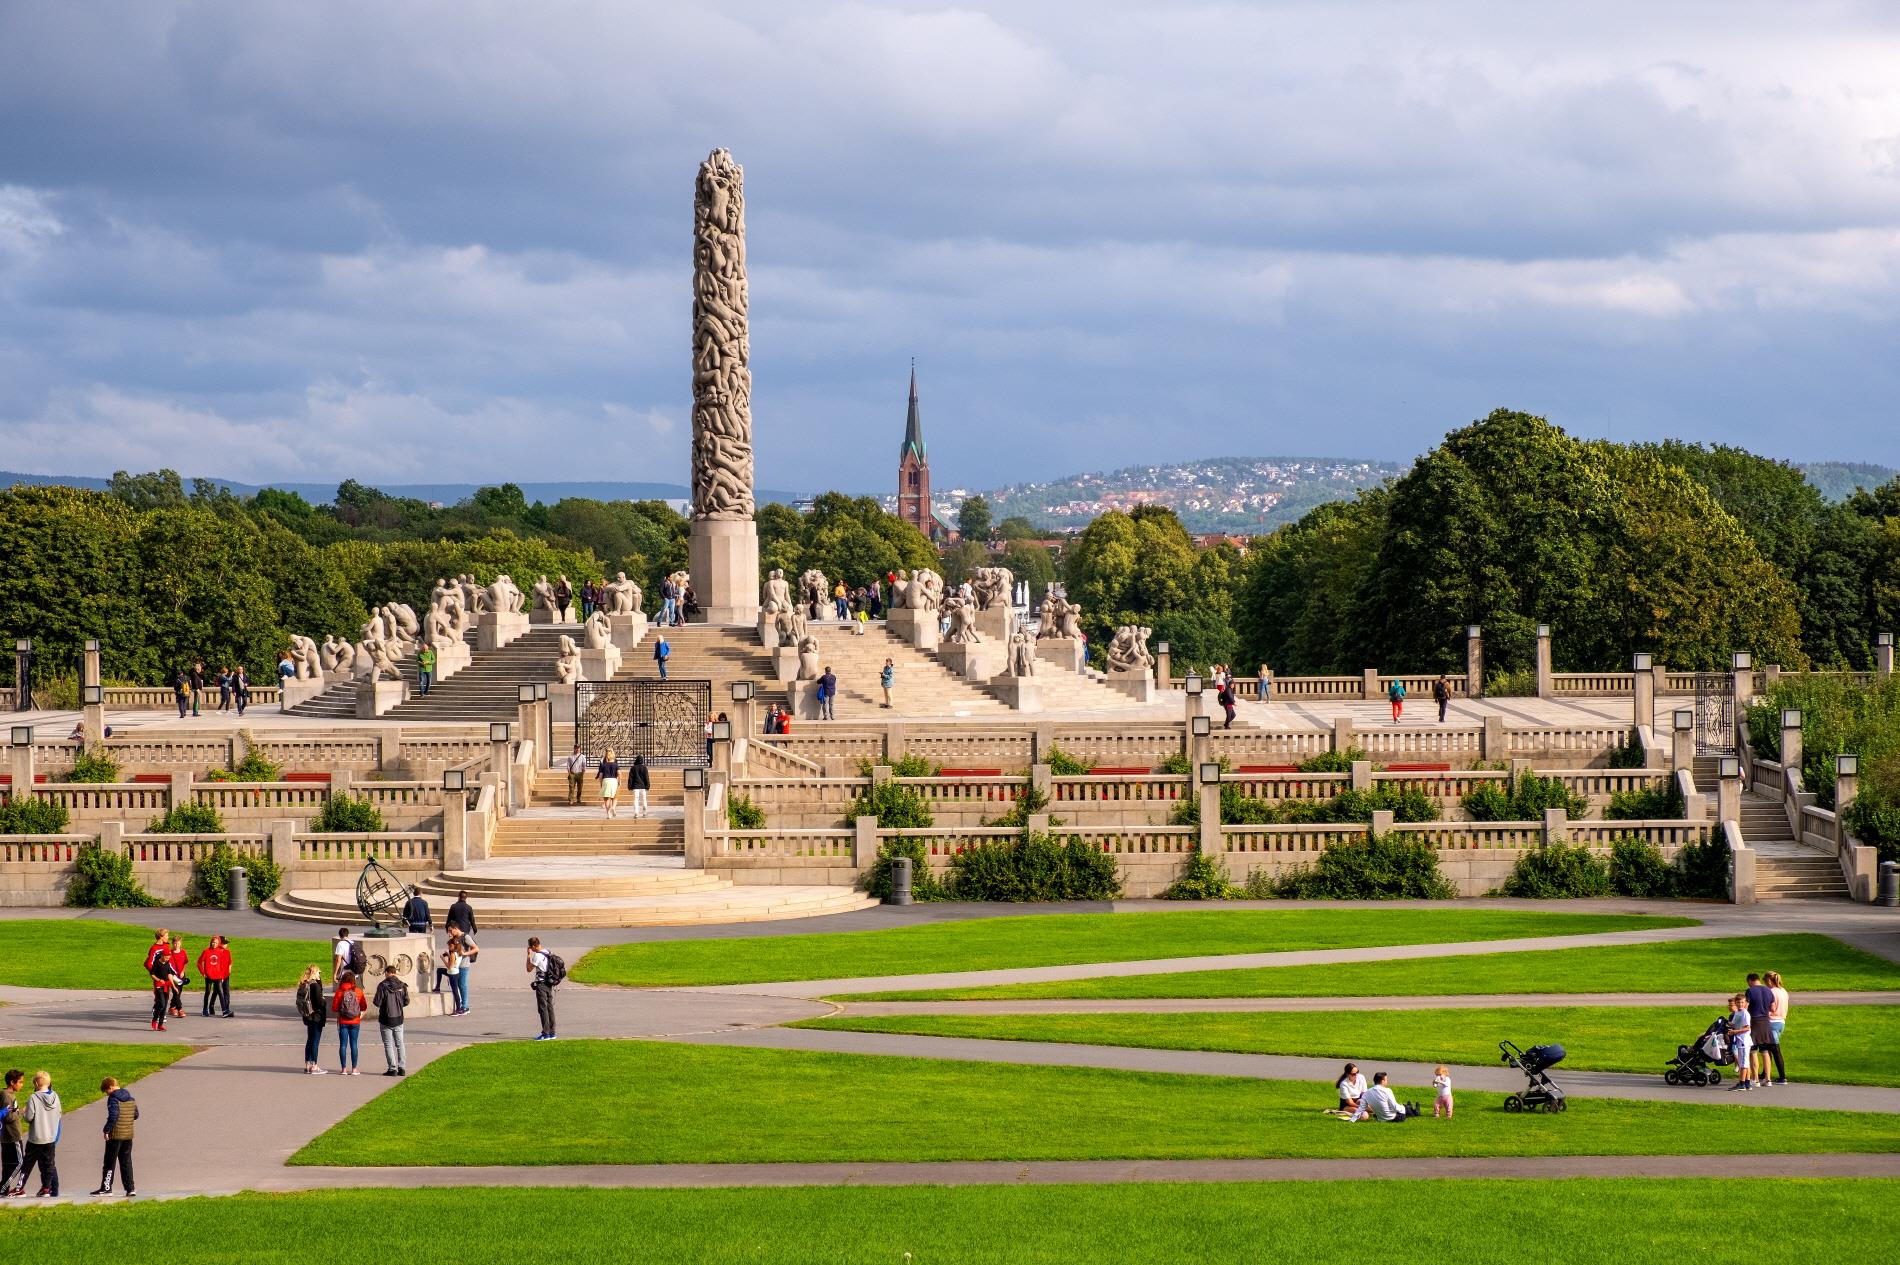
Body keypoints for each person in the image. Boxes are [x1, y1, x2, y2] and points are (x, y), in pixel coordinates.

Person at [11, 1071, 61, 1197]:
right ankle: (46, 1188)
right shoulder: (55, 1096)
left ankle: (19, 1187)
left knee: (28, 1163)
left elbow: (29, 1117)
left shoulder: (34, 1097)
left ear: (37, 1084)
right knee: (48, 1163)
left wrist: (23, 1112)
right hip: (50, 1136)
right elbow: (59, 1113)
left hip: (37, 1136)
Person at [92, 1077, 137, 1196]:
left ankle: (106, 1188)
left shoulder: (113, 1099)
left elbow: (113, 1115)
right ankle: (130, 1188)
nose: (107, 1094)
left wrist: (106, 1130)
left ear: (111, 1087)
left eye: (106, 1091)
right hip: (128, 1135)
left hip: (115, 1135)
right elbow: (136, 1115)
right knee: (126, 1162)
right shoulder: (131, 1098)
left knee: (109, 1162)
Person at [1745, 971, 1782, 1087]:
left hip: (1754, 1022)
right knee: (1765, 1051)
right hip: (1766, 1022)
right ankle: (1768, 1079)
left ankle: (1755, 1079)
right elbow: (1773, 1008)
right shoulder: (1768, 990)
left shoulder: (1750, 991)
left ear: (1750, 981)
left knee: (1753, 1051)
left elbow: (1745, 1007)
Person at [373, 965, 410, 1077]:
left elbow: (377, 1002)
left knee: (388, 1044)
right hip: (398, 1018)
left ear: (387, 973)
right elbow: (407, 1001)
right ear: (395, 973)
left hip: (385, 1018)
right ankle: (402, 1067)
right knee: (400, 1043)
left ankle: (392, 1068)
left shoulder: (382, 986)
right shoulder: (402, 985)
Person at [331, 969, 367, 1075]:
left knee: (343, 1045)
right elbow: (364, 1006)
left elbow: (334, 1008)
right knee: (354, 1044)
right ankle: (354, 1069)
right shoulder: (358, 991)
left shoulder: (339, 991)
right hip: (355, 1021)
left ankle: (344, 1069)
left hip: (342, 1021)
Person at [1345, 1072, 1419, 1123]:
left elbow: (1361, 1108)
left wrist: (1352, 1120)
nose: (1387, 1081)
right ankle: (1414, 1111)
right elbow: (1394, 1106)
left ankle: (1412, 1110)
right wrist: (1403, 1108)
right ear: (1382, 1081)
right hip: (1393, 1118)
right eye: (1386, 1080)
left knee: (1404, 1107)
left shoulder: (1367, 1093)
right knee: (1404, 1108)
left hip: (1380, 1119)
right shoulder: (1387, 1091)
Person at [296, 965, 328, 1074]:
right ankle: (314, 1065)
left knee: (309, 1040)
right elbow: (320, 1002)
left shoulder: (305, 984)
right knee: (315, 1041)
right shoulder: (315, 986)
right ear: (315, 973)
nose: (320, 974)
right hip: (316, 1016)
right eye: (319, 972)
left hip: (307, 1015)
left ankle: (307, 1064)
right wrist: (325, 1002)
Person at [527, 936, 559, 1040]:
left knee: (543, 1009)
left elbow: (528, 969)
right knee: (550, 1008)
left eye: (531, 948)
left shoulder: (537, 956)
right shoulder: (548, 952)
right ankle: (552, 1032)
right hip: (549, 983)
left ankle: (545, 1034)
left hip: (541, 984)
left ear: (533, 946)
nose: (531, 949)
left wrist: (528, 955)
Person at [146, 937, 180, 1032]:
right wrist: (158, 979)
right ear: (162, 956)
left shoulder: (167, 963)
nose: (168, 958)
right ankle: (154, 1020)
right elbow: (152, 974)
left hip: (166, 986)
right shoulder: (157, 963)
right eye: (167, 957)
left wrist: (174, 987)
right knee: (161, 1004)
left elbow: (169, 975)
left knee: (164, 1006)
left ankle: (160, 1025)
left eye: (169, 957)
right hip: (159, 986)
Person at [196, 934, 233, 1018]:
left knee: (220, 992)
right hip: (208, 975)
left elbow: (224, 963)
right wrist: (203, 973)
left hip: (218, 975)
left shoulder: (221, 951)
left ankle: (224, 1011)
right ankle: (205, 1009)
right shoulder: (206, 951)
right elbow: (199, 963)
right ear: (211, 942)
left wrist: (223, 973)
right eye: (213, 942)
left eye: (216, 943)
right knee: (208, 992)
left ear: (219, 943)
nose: (214, 944)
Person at [1, 1069, 25, 1195]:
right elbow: (7, 1117)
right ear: (12, 1082)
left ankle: (4, 1189)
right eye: (20, 1082)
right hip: (12, 1135)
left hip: (8, 1136)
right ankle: (2, 1187)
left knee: (8, 1164)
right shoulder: (6, 1096)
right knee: (20, 1163)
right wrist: (21, 1111)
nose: (22, 1085)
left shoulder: (8, 1095)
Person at [1726, 992, 1754, 1091]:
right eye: (1738, 1002)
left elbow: (1747, 1028)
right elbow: (1734, 1024)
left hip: (1744, 1040)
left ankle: (1742, 1083)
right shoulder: (1737, 1012)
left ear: (1745, 1002)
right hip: (1739, 1039)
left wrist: (1735, 1032)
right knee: (1744, 1062)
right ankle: (1747, 1083)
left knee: (1743, 1063)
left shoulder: (1745, 1013)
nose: (1740, 1004)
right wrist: (1726, 1023)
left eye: (1742, 1002)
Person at [1767, 970, 1790, 1085]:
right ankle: (1765, 1073)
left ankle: (1782, 1076)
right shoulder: (1784, 991)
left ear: (1769, 981)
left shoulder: (1771, 992)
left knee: (1775, 1049)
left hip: (1772, 1021)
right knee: (1768, 1048)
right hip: (1781, 1022)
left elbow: (1771, 1007)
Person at [455, 930, 478, 1015]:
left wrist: (465, 953)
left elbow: (476, 948)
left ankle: (465, 1006)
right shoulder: (454, 937)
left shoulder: (465, 937)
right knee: (458, 986)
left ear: (455, 928)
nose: (449, 933)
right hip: (456, 965)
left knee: (462, 985)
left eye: (450, 931)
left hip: (464, 965)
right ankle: (460, 1005)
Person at [166, 933, 189, 1018]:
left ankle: (172, 1007)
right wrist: (171, 974)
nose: (177, 945)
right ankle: (180, 1009)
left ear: (181, 944)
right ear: (172, 943)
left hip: (181, 975)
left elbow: (185, 963)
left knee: (179, 992)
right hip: (173, 976)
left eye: (178, 943)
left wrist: (183, 971)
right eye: (175, 943)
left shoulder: (183, 952)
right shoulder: (170, 953)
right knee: (176, 991)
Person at [599, 747, 621, 819]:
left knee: (606, 798)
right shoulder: (616, 765)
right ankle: (613, 807)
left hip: (606, 780)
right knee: (615, 797)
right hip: (614, 780)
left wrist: (601, 783)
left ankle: (608, 813)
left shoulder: (604, 765)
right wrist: (619, 781)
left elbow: (600, 775)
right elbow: (619, 773)